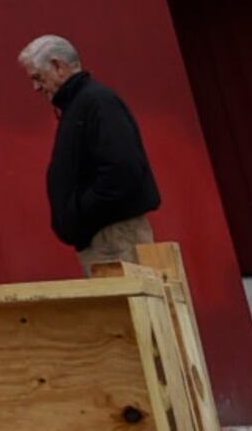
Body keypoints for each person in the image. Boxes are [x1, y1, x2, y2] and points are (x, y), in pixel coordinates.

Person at [21, 34, 161, 271]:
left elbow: (123, 171)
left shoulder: (96, 102)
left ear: (58, 66)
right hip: (105, 239)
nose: (36, 87)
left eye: (37, 77)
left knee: (127, 306)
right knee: (117, 308)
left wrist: (78, 212)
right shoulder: (80, 105)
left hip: (114, 238)